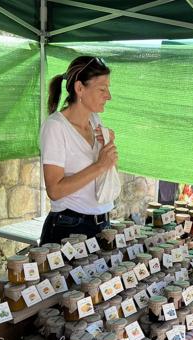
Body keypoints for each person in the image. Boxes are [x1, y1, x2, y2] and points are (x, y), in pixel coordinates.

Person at [39, 56, 118, 244]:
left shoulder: (95, 121)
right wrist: (100, 165)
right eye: (102, 89)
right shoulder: (55, 127)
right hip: (70, 227)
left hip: (102, 224)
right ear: (79, 88)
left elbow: (104, 171)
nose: (108, 96)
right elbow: (55, 190)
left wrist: (108, 148)